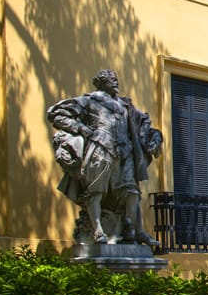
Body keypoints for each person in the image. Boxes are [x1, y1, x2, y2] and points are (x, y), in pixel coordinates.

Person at [47, 69, 162, 245]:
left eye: (116, 80)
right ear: (101, 83)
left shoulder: (125, 105)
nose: (116, 83)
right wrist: (80, 128)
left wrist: (156, 138)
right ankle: (98, 231)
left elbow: (143, 125)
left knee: (132, 192)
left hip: (124, 152)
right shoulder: (89, 100)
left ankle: (139, 231)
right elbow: (57, 114)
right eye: (111, 80)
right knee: (96, 190)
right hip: (101, 147)